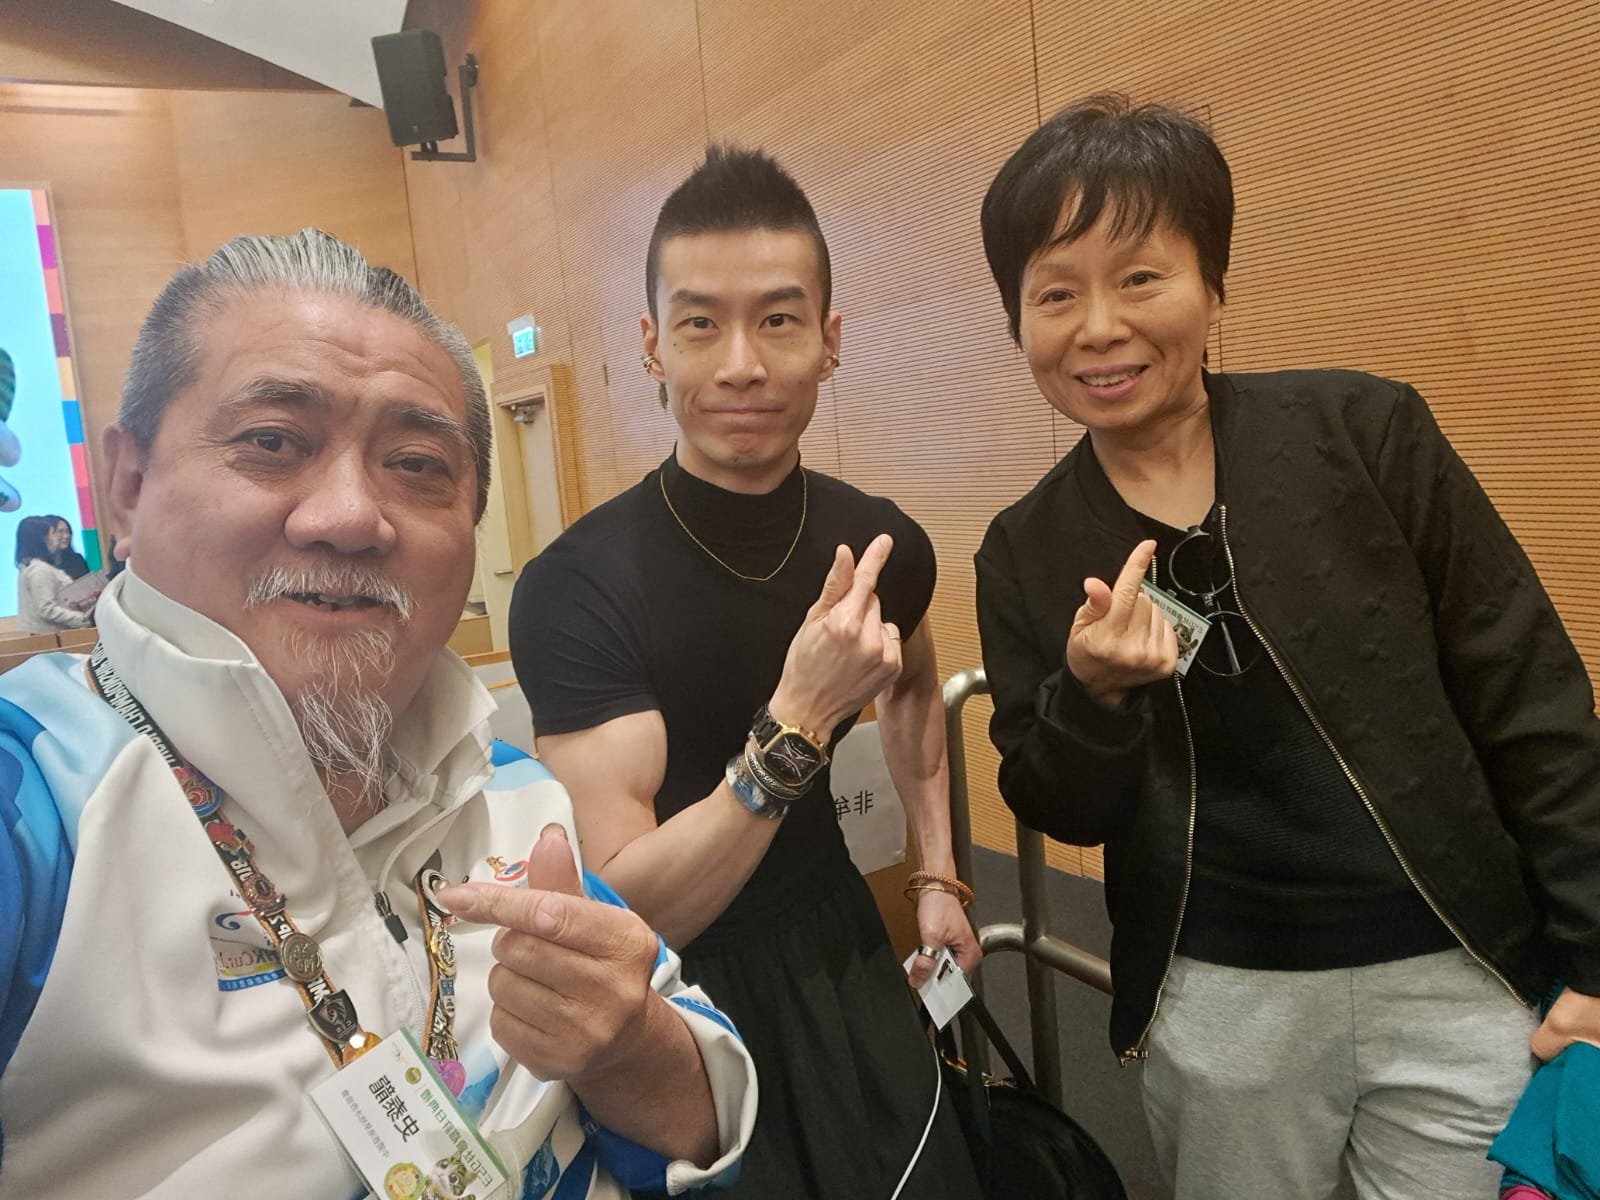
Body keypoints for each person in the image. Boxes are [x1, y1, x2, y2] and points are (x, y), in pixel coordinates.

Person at [0, 230, 755, 1197]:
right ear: (130, 485)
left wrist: (629, 1046)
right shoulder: (37, 804)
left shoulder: (511, 794)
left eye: (417, 463)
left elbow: (697, 1119)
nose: (351, 516)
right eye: (272, 442)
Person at [973, 94, 1600, 1199]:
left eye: (1140, 277)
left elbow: (1530, 695)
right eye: (1055, 294)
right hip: (1217, 994)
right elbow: (1057, 802)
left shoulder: (1364, 433)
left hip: (1456, 964)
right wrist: (1091, 695)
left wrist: (1594, 953)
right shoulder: (1026, 547)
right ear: (1018, 321)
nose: (1099, 327)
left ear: (1212, 285)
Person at [510, 147, 983, 1199]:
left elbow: (912, 686)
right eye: (699, 324)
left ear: (829, 341)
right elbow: (631, 910)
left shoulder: (880, 544)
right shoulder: (580, 587)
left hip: (841, 946)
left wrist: (937, 873)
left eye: (777, 320)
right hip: (679, 999)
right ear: (651, 346)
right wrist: (798, 719)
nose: (740, 365)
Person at [13, 513, 92, 633]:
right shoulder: (39, 570)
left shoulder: (34, 567)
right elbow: (47, 609)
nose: (57, 539)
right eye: (53, 534)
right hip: (52, 636)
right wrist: (84, 618)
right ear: (42, 539)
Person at [43, 514, 91, 581]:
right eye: (60, 532)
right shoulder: (40, 565)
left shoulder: (77, 559)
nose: (66, 536)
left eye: (68, 532)